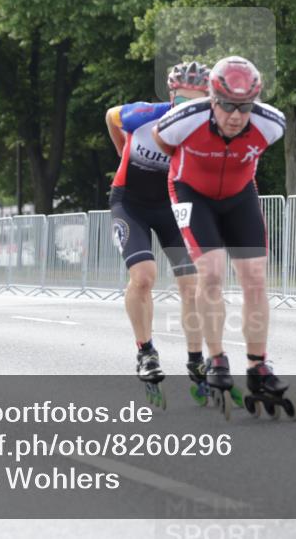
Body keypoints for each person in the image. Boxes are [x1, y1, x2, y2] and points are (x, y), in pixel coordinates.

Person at [152, 56, 289, 405]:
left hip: (239, 195)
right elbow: (162, 141)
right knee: (211, 274)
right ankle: (216, 358)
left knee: (255, 278)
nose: (236, 116)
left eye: (245, 107)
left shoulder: (271, 123)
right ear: (212, 99)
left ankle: (258, 365)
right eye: (227, 105)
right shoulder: (185, 118)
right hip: (190, 191)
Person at [104, 61, 210, 392]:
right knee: (144, 276)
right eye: (182, 99)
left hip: (171, 208)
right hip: (130, 204)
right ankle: (146, 351)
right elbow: (111, 116)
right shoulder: (145, 114)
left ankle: (196, 359)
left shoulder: (207, 129)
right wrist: (122, 150)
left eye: (197, 101)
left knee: (191, 284)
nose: (187, 107)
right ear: (171, 95)